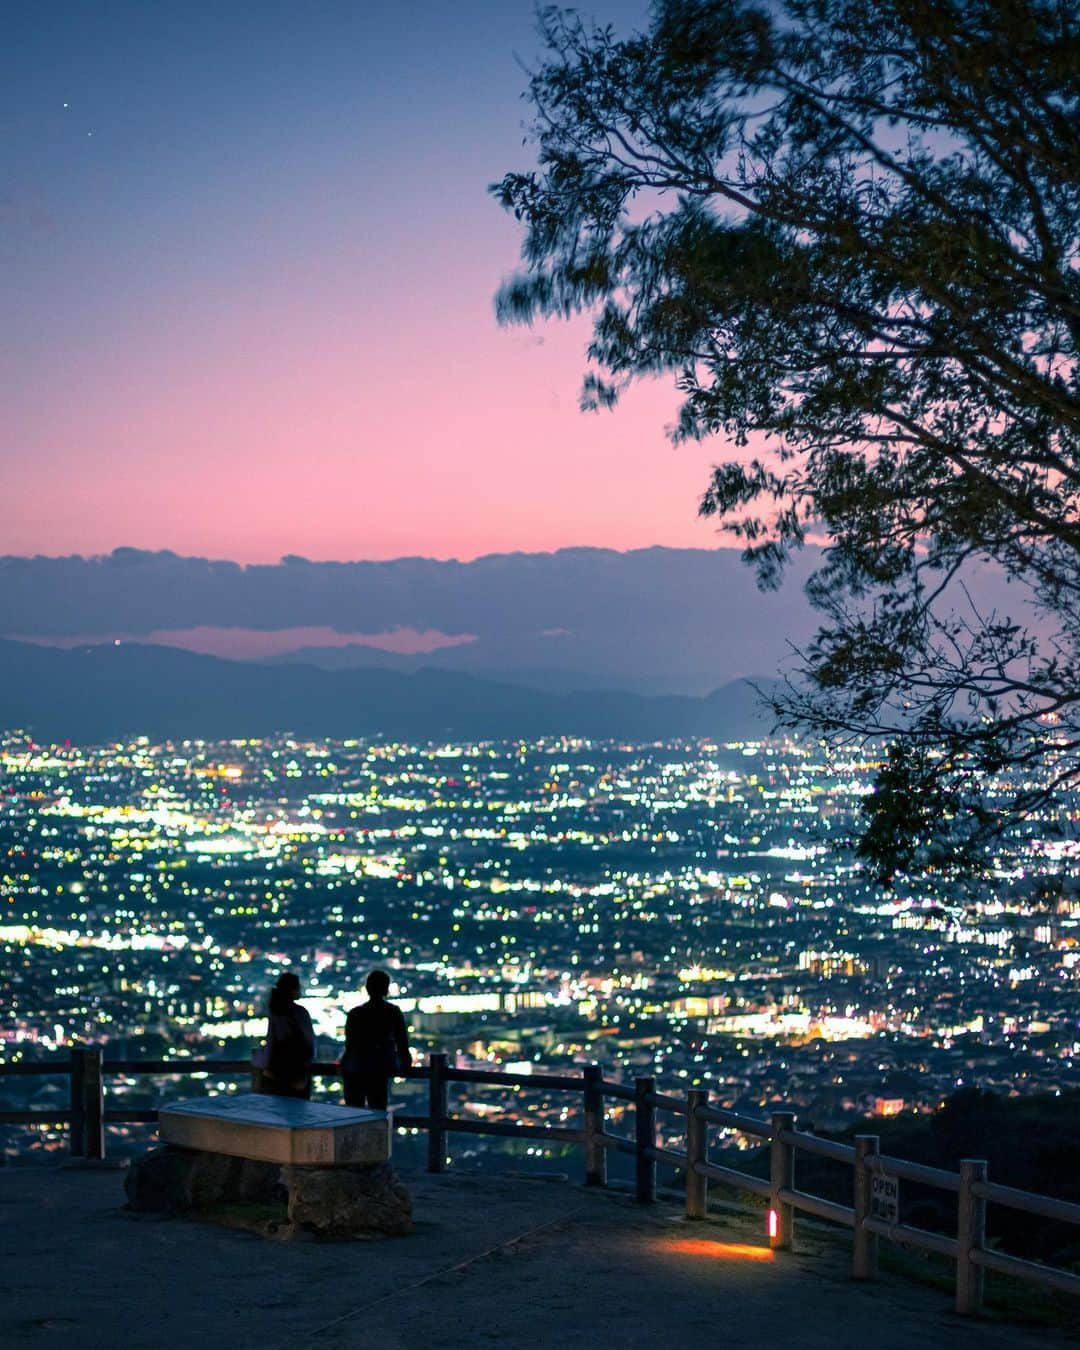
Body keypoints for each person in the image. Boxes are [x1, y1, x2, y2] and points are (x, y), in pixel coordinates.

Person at [340, 970, 411, 1110]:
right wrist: (405, 1065)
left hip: (355, 1069)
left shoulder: (355, 1013)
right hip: (379, 1069)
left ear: (367, 989)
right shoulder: (393, 1012)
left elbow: (349, 1045)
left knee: (352, 1115)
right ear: (386, 989)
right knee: (377, 1112)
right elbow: (402, 1044)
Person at [260, 972, 315, 1099]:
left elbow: (271, 1040)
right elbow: (309, 1041)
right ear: (292, 990)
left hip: (277, 1070)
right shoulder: (300, 1013)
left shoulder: (275, 1012)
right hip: (298, 1071)